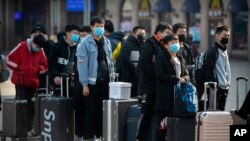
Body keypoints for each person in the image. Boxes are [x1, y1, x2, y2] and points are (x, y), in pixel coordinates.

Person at [75, 16, 115, 140]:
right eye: (97, 26)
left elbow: (110, 61)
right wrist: (85, 85)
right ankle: (89, 136)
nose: (100, 29)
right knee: (90, 110)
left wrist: (112, 79)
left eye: (102, 26)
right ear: (92, 27)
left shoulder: (106, 41)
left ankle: (100, 134)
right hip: (92, 82)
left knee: (102, 109)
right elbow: (82, 66)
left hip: (105, 80)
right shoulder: (84, 43)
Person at [136, 22, 173, 141]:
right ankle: (139, 138)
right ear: (159, 33)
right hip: (149, 87)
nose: (169, 35)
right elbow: (142, 64)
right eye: (167, 33)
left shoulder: (163, 46)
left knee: (160, 116)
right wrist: (157, 71)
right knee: (146, 115)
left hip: (160, 88)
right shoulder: (150, 44)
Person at [6, 34, 47, 136]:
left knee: (31, 107)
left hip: (32, 84)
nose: (37, 49)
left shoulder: (40, 51)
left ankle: (29, 129)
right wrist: (19, 67)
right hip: (21, 82)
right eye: (36, 46)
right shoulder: (21, 46)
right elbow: (8, 59)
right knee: (21, 107)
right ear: (33, 42)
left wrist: (37, 69)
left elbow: (45, 66)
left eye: (39, 47)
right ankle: (19, 129)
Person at [154, 34, 189, 141]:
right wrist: (176, 79)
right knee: (162, 126)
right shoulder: (161, 57)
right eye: (172, 43)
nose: (176, 45)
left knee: (177, 126)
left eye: (177, 42)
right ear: (165, 45)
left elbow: (186, 73)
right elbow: (159, 74)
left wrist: (185, 79)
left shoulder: (180, 57)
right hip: (165, 98)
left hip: (178, 98)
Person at [48, 24, 80, 97]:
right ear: (68, 34)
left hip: (73, 83)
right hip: (59, 82)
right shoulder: (57, 47)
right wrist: (55, 76)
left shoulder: (78, 48)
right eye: (75, 33)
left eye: (78, 34)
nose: (77, 36)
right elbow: (51, 63)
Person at [204, 25, 231, 111]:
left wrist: (228, 83)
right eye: (224, 35)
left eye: (228, 36)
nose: (227, 38)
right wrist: (214, 86)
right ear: (217, 36)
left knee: (221, 112)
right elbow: (209, 70)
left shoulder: (224, 50)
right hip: (216, 89)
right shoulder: (212, 51)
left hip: (225, 88)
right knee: (213, 112)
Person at [116, 25, 146, 98]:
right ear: (133, 33)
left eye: (143, 34)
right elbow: (124, 58)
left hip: (137, 76)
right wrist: (134, 68)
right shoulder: (128, 43)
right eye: (140, 33)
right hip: (129, 76)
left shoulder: (142, 44)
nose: (142, 35)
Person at [30, 22, 54, 93]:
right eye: (35, 33)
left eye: (40, 33)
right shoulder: (27, 45)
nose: (37, 35)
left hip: (45, 79)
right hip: (30, 79)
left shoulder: (50, 45)